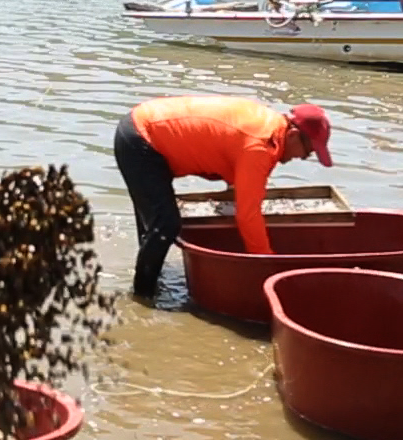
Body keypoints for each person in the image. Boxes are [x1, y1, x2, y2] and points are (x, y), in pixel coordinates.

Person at [113, 95, 334, 298]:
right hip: (142, 139)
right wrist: (268, 267)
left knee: (154, 229)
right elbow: (247, 217)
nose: (303, 158)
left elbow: (232, 159)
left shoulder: (269, 125)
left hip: (143, 127)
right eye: (308, 152)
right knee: (166, 225)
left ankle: (149, 282)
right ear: (294, 135)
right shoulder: (260, 145)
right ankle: (142, 299)